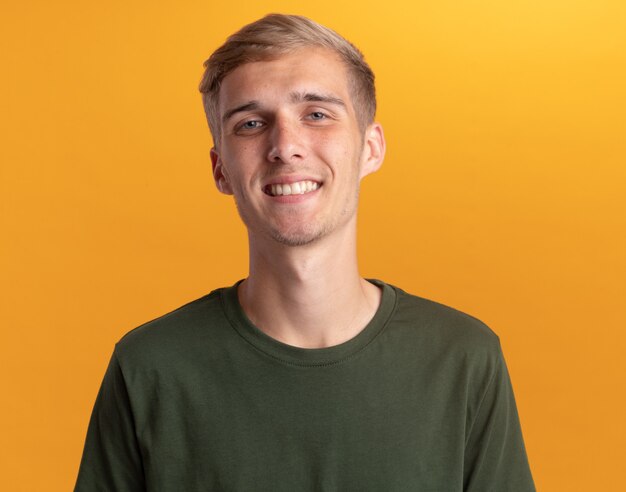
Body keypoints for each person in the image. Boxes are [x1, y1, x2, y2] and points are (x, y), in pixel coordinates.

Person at [75, 13, 535, 491]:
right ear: (221, 170)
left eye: (316, 114)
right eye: (251, 124)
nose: (285, 146)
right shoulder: (150, 367)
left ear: (370, 148)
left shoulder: (461, 359)